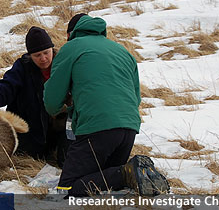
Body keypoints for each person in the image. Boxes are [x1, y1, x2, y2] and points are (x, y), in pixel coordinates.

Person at [43, 14, 168, 197]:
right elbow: (136, 97)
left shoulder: (72, 48)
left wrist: (60, 109)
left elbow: (52, 99)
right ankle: (139, 175)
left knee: (67, 189)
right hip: (128, 129)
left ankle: (128, 173)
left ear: (70, 35)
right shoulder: (122, 51)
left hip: (97, 129)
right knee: (102, 181)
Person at [0, 26, 69, 166]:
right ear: (30, 55)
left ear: (52, 49)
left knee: (66, 160)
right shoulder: (22, 68)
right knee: (28, 157)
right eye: (37, 55)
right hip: (31, 132)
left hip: (59, 129)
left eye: (46, 52)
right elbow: (6, 87)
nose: (43, 58)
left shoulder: (63, 64)